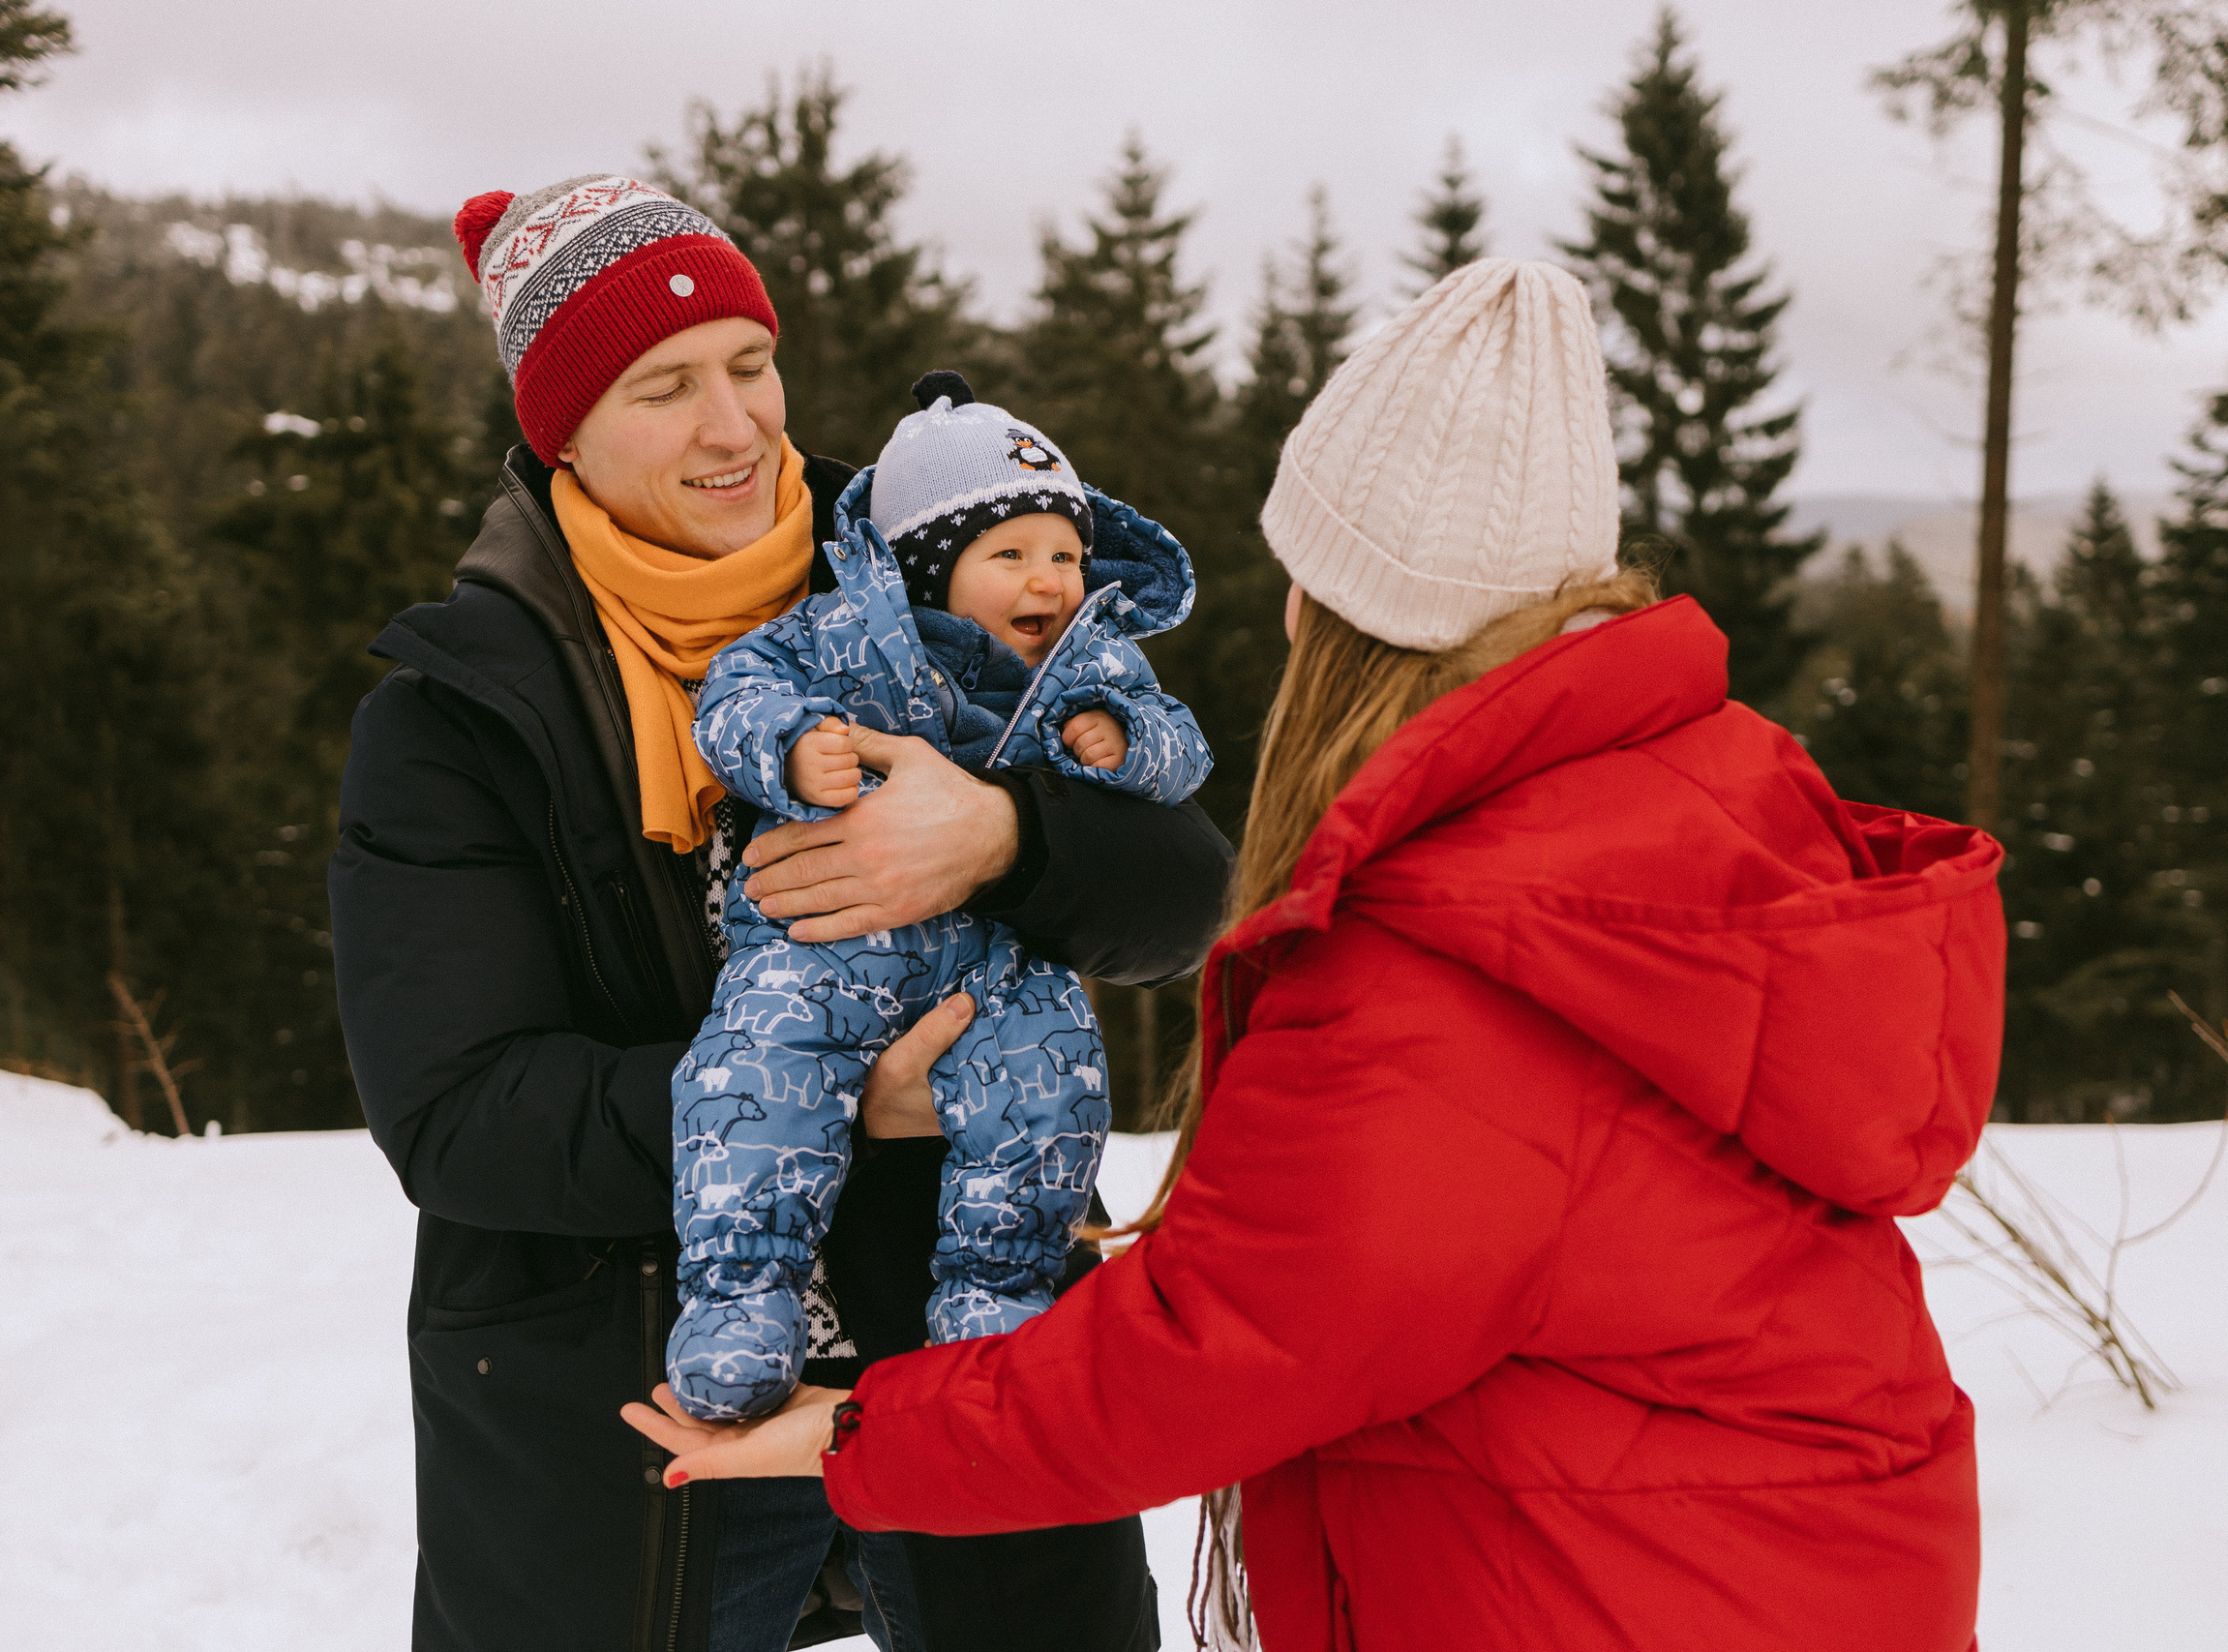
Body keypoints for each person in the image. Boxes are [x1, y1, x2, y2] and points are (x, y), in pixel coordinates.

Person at [623, 259, 2002, 1652]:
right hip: (1796, 1559)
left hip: (1606, 1588)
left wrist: (861, 1428)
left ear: (1352, 608)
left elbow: (1209, 1349)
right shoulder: (1694, 794)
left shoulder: (1444, 959)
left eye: (1301, 575)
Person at [330, 172, 1227, 1652]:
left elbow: (1180, 887)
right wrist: (829, 1104)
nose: (737, 425)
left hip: (951, 1352)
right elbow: (461, 1113)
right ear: (564, 430)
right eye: (664, 387)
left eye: (751, 364)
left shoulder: (924, 574)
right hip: (624, 1415)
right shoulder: (458, 716)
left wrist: (1003, 834)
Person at [671, 370, 1210, 1420]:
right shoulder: (839, 633)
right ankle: (743, 1296)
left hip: (1000, 962)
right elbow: (737, 691)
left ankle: (1001, 1305)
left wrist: (1127, 743)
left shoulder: (1095, 664)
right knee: (751, 1075)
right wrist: (790, 750)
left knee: (1051, 1093)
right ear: (925, 565)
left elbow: (1182, 756)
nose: (1047, 579)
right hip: (825, 948)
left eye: (1064, 553)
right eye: (1009, 554)